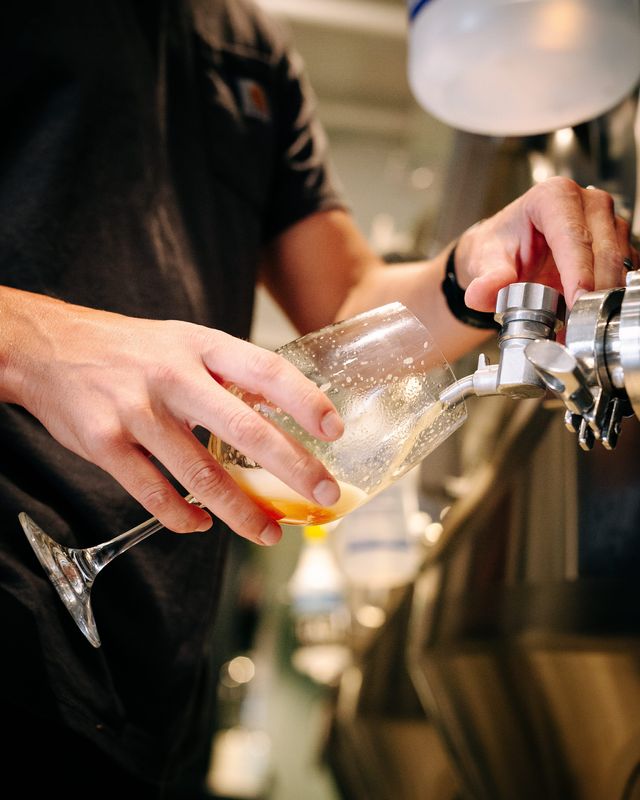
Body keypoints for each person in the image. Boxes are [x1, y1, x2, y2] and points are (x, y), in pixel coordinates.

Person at [0, 0, 636, 796]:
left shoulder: (245, 45)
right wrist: (30, 344)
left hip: (147, 661)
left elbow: (345, 308)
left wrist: (473, 273)